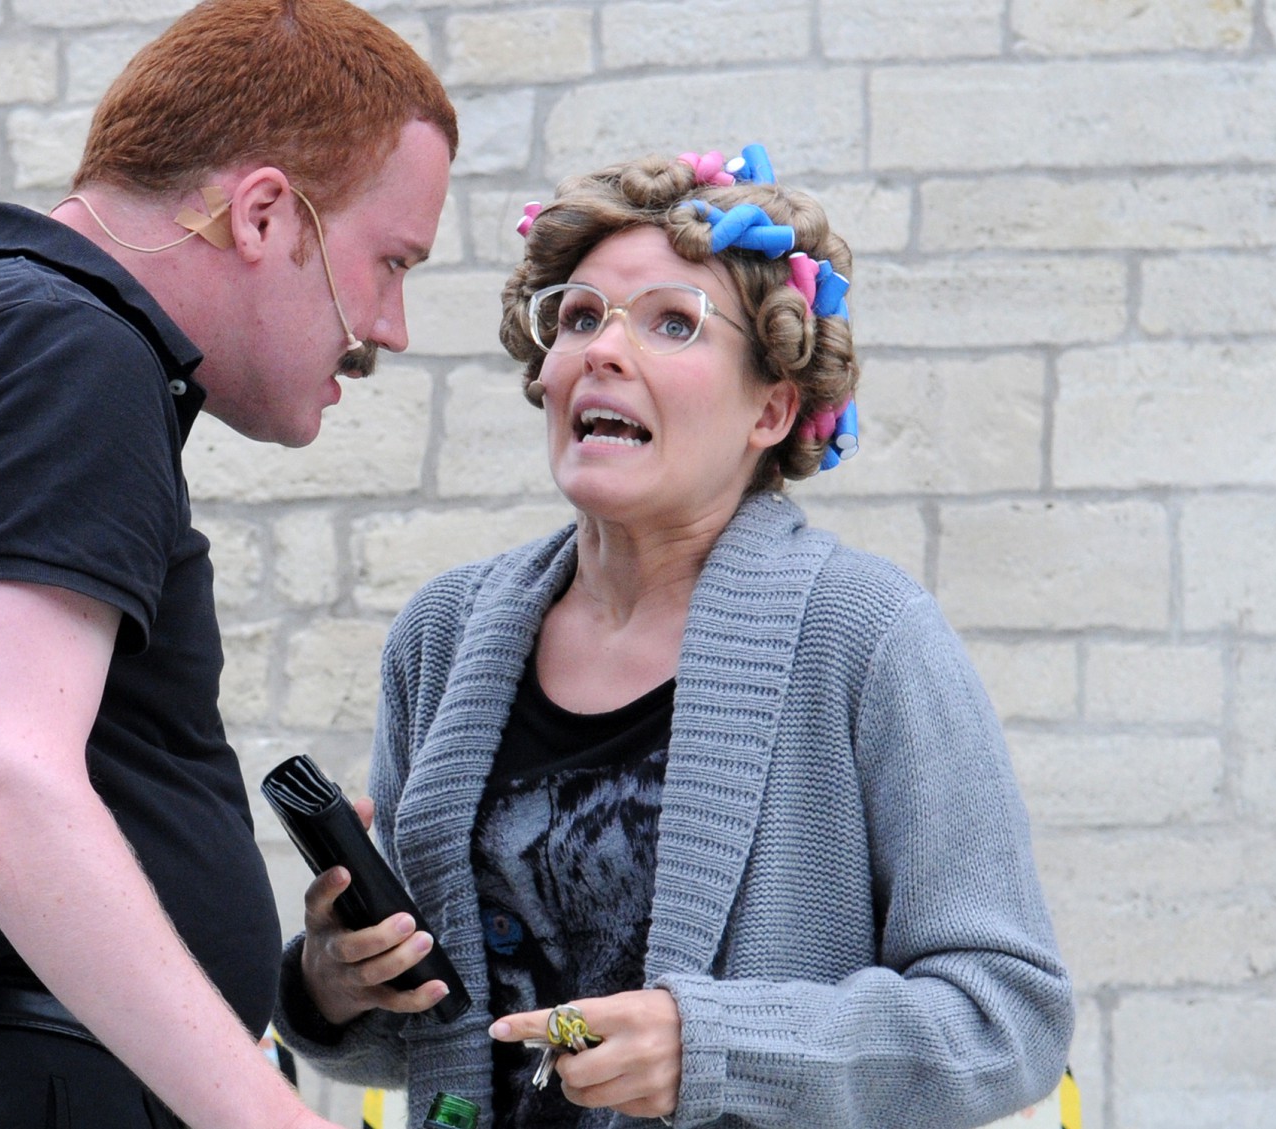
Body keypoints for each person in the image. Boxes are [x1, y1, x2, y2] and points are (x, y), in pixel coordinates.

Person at [0, 1, 455, 1126]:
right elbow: (1, 782)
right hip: (0, 1082)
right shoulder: (64, 344)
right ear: (266, 213)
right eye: (390, 261)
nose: (391, 325)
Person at [272, 145, 1075, 1128]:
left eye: (671, 322)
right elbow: (457, 1029)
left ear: (770, 409)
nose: (605, 350)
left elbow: (1008, 1017)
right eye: (578, 317)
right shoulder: (442, 635)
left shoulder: (864, 636)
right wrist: (336, 981)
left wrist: (719, 1048)